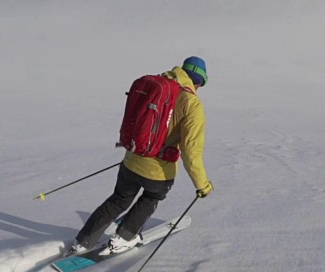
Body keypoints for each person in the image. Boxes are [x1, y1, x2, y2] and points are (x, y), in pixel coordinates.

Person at [64, 56, 213, 257]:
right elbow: (191, 150)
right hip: (158, 170)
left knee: (119, 199)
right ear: (198, 82)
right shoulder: (192, 104)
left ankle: (83, 241)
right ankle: (123, 238)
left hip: (132, 158)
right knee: (151, 198)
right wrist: (202, 185)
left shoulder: (156, 85)